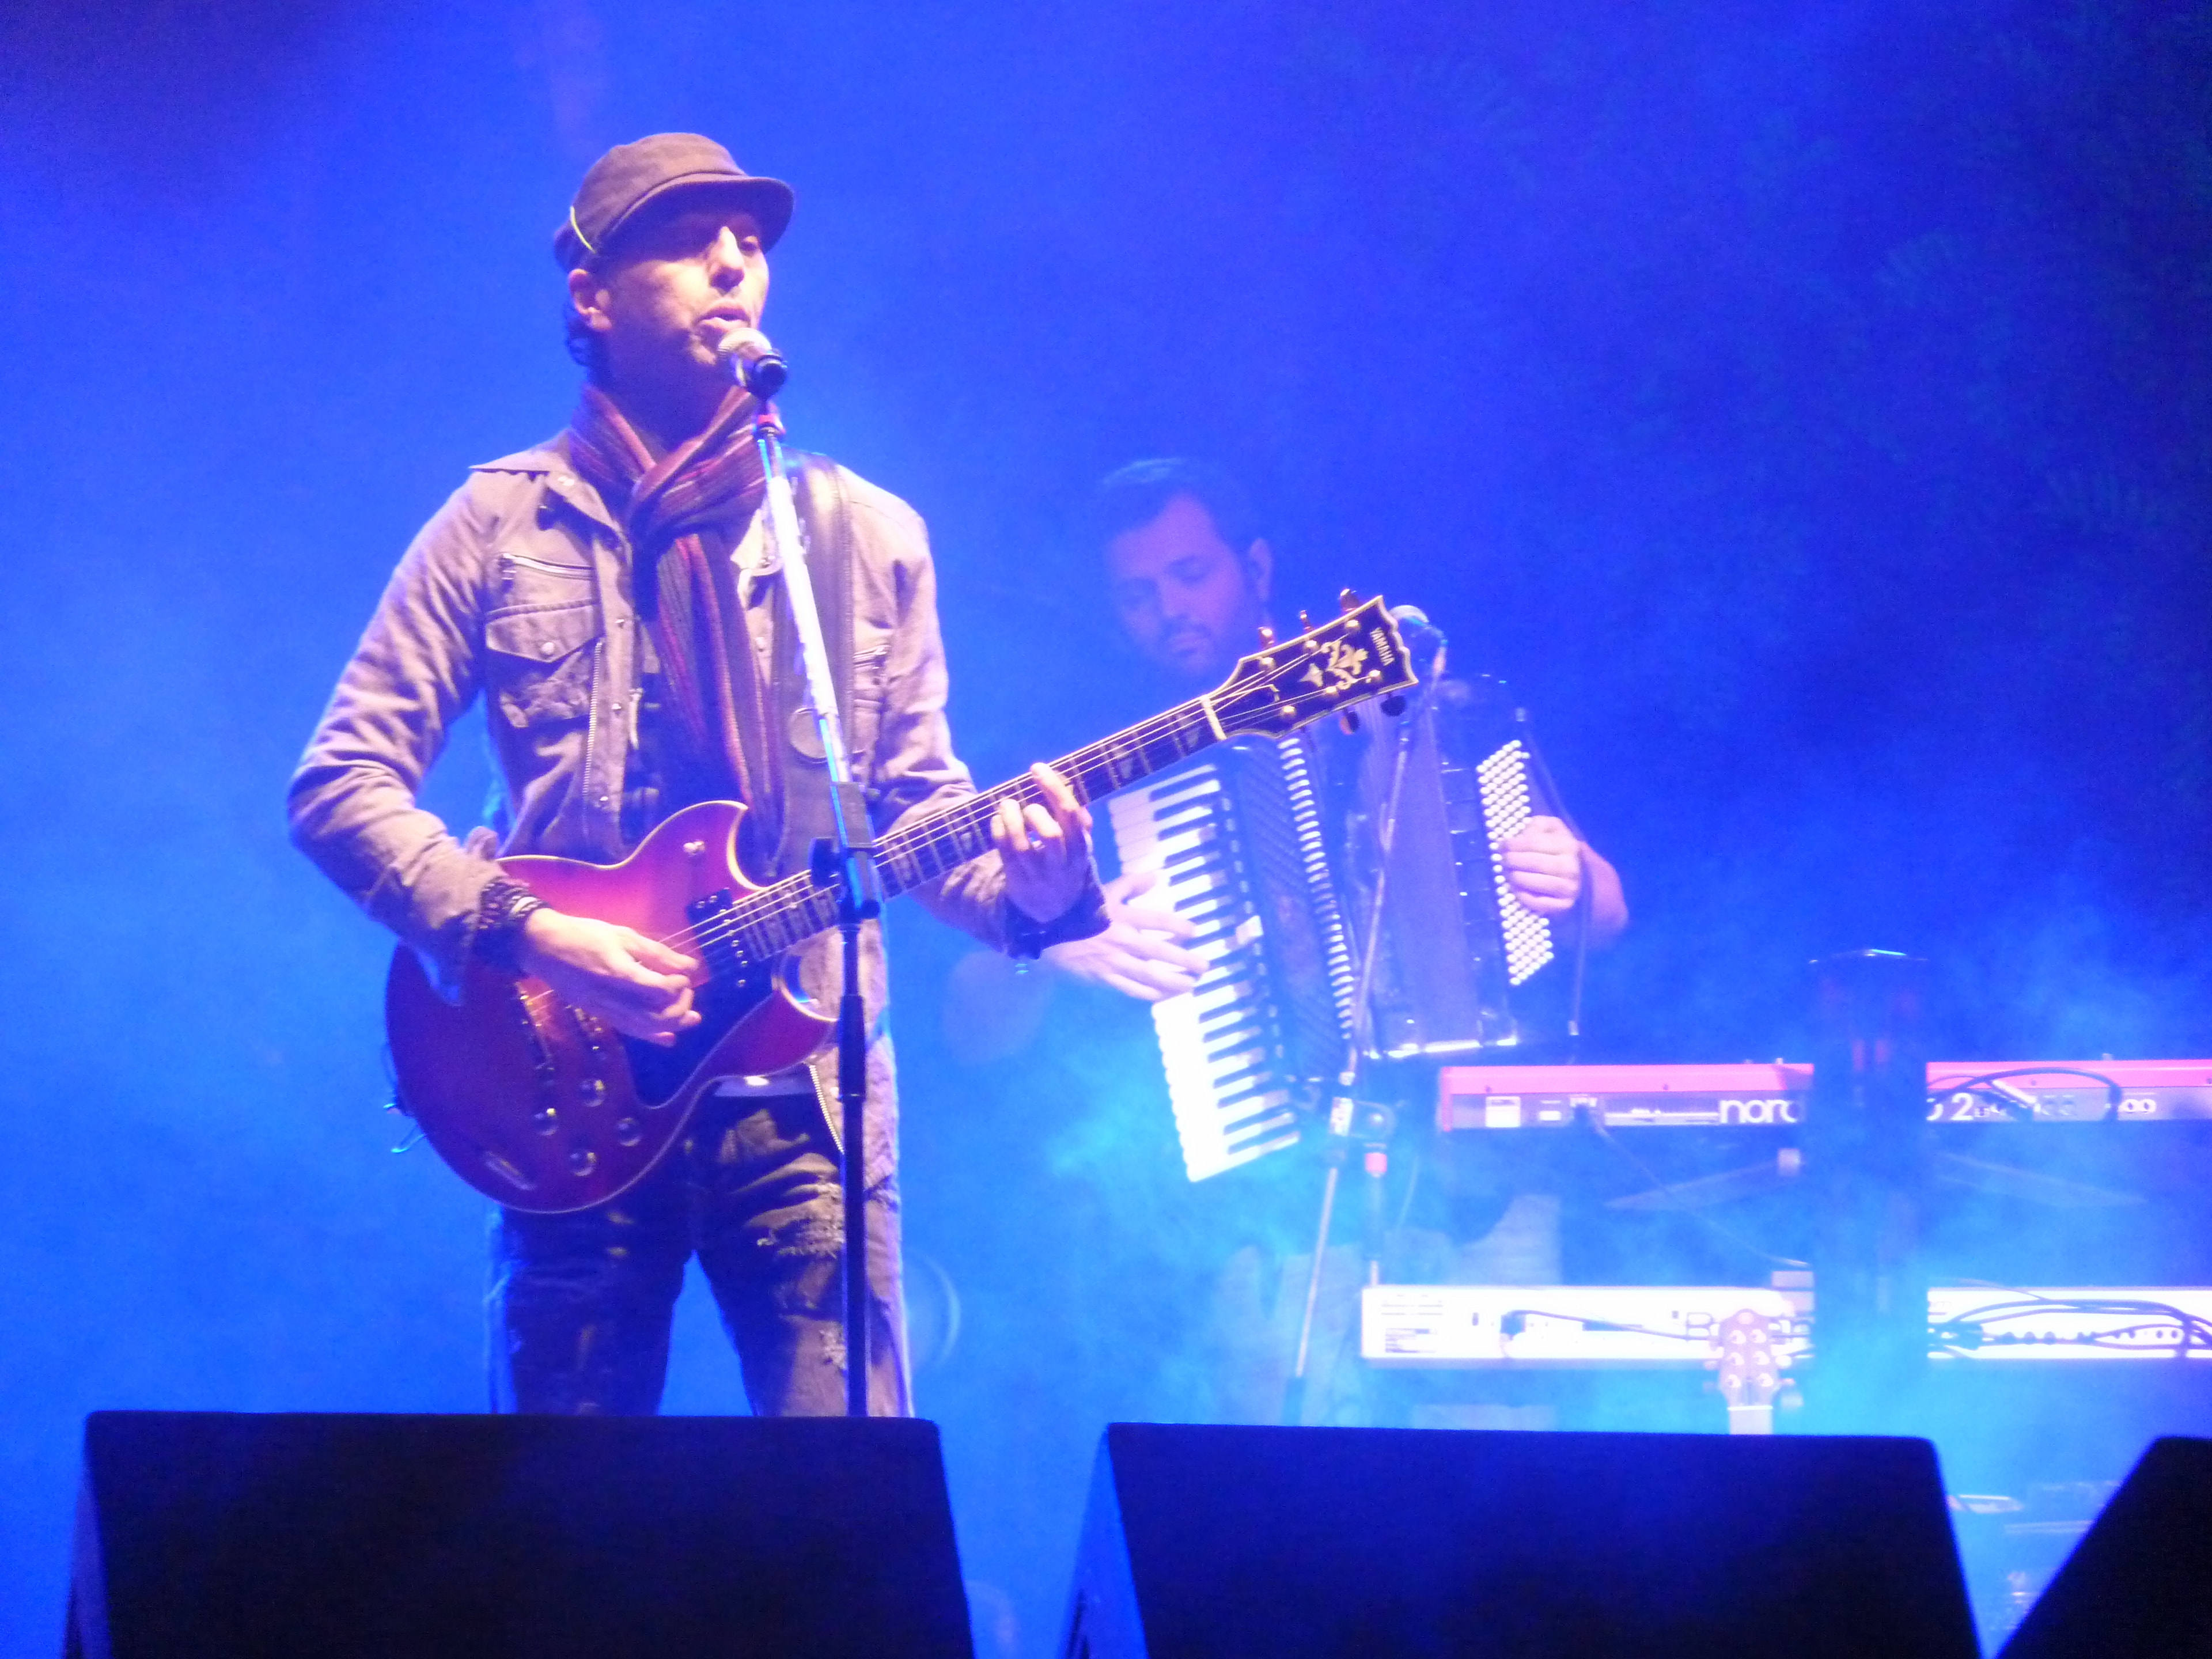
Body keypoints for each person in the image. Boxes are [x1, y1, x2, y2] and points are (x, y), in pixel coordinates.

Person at [289, 134, 1103, 1417]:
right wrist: (532, 935)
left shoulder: (864, 530)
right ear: (593, 295)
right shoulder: (499, 524)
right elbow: (339, 784)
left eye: (752, 240)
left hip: (810, 1106)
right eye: (686, 236)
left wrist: (1039, 895)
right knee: (567, 1545)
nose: (735, 260)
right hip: (568, 1083)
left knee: (846, 1528)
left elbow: (912, 812)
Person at [1047, 456, 1627, 1001]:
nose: (1170, 608)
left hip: (1462, 1085)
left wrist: (1570, 878)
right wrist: (1047, 944)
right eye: (1137, 596)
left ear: (1257, 568)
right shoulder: (1107, 764)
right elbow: (974, 1033)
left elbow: (1607, 919)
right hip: (1242, 1095)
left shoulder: (1377, 687)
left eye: (1191, 575)